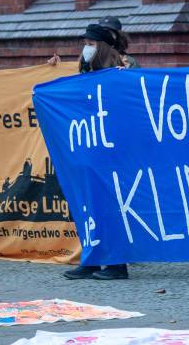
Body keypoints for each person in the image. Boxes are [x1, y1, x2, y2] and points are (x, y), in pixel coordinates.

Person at [49, 24, 128, 280]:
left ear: (102, 46)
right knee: (88, 206)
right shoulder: (87, 69)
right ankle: (92, 259)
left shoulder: (120, 69)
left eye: (91, 44)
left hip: (110, 151)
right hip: (89, 149)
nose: (86, 48)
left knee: (109, 207)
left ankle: (117, 264)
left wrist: (124, 76)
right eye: (85, 43)